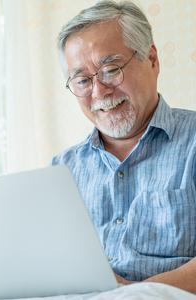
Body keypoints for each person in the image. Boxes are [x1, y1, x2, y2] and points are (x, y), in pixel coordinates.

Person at [52, 0, 196, 294]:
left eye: (111, 69)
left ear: (152, 59)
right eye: (82, 80)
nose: (99, 91)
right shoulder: (62, 168)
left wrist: (133, 291)